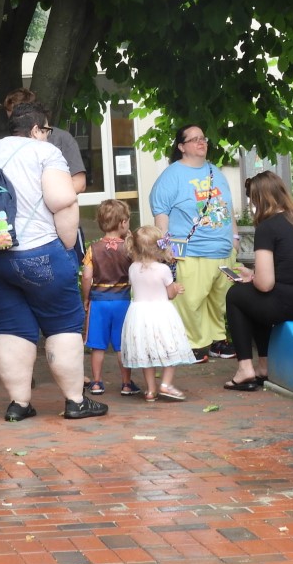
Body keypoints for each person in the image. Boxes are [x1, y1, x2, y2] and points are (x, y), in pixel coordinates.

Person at [0, 102, 105, 421]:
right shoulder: (45, 152)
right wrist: (67, 247)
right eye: (46, 130)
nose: (48, 135)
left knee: (12, 325)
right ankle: (75, 402)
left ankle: (18, 405)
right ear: (35, 129)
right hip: (39, 254)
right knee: (63, 323)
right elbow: (62, 199)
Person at [223, 171, 293, 391]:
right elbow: (292, 266)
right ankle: (264, 367)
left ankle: (245, 368)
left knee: (236, 296)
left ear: (259, 200)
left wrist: (252, 280)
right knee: (254, 296)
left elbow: (265, 284)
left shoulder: (268, 228)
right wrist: (253, 276)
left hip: (287, 304)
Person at [147, 124, 237, 362]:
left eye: (203, 138)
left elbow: (228, 208)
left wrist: (235, 238)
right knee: (189, 301)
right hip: (190, 250)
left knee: (219, 300)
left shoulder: (215, 172)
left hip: (222, 249)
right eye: (194, 139)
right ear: (181, 146)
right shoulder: (171, 176)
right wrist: (164, 247)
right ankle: (191, 344)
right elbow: (161, 214)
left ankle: (217, 340)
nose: (201, 142)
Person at [120, 223, 193, 402]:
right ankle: (165, 384)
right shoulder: (163, 270)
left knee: (147, 352)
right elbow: (169, 294)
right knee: (170, 347)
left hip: (139, 315)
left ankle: (151, 390)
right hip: (161, 313)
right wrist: (176, 288)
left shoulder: (132, 268)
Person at [81, 199, 138, 397]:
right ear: (123, 223)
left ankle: (97, 383)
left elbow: (86, 276)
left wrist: (86, 298)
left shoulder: (93, 248)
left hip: (99, 302)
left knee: (97, 345)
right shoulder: (129, 248)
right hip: (123, 301)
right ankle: (126, 384)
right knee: (122, 345)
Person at [3, 88, 87, 192]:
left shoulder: (62, 138)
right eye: (11, 118)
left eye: (18, 116)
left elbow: (79, 183)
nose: (15, 123)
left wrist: (46, 197)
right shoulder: (6, 143)